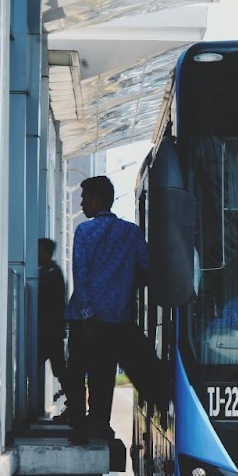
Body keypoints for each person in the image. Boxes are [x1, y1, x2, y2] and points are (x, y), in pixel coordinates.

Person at [64, 175, 163, 446]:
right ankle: (99, 422)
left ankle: (78, 422)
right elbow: (147, 268)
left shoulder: (84, 232)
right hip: (117, 318)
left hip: (85, 317)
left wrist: (86, 314)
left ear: (97, 199)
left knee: (76, 370)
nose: (82, 203)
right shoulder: (131, 232)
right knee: (103, 371)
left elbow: (80, 274)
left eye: (84, 197)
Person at [37, 238, 67, 404]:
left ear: (47, 252)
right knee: (58, 368)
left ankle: (75, 404)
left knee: (59, 368)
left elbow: (49, 303)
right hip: (50, 329)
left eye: (39, 250)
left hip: (49, 330)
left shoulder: (51, 273)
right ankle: (74, 402)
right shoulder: (51, 271)